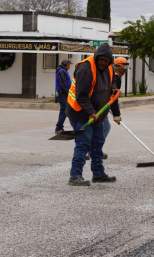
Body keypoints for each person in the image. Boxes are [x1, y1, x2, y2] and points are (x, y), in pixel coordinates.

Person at [66, 43, 119, 186]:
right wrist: (91, 112)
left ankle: (98, 174)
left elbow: (112, 91)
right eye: (100, 59)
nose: (103, 62)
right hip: (80, 112)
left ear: (110, 61)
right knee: (83, 143)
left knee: (97, 144)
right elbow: (81, 96)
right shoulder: (86, 69)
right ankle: (75, 176)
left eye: (106, 60)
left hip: (97, 114)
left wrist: (116, 112)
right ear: (96, 57)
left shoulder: (110, 69)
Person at [88, 56, 127, 160]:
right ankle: (93, 149)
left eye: (127, 68)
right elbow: (114, 97)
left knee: (100, 127)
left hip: (99, 103)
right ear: (117, 66)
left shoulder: (110, 72)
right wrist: (116, 114)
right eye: (123, 67)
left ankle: (92, 149)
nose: (125, 70)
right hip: (99, 105)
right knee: (104, 127)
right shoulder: (115, 76)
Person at [54, 58, 72, 134]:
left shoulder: (63, 71)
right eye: (69, 65)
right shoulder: (62, 71)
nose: (69, 66)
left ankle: (60, 127)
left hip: (62, 93)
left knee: (64, 110)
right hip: (62, 94)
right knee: (64, 111)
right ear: (66, 65)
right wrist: (68, 92)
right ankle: (59, 128)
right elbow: (63, 84)